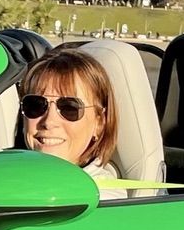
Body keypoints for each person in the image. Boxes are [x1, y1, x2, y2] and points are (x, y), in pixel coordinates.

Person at [21, 50, 126, 201]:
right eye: (35, 105)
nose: (49, 122)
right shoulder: (8, 173)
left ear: (99, 123)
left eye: (70, 108)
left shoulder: (102, 200)